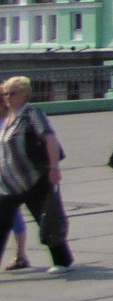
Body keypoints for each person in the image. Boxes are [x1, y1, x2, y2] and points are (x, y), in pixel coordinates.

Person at [0, 76, 73, 272]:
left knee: (46, 218)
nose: (7, 97)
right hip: (9, 183)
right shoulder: (8, 118)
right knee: (1, 223)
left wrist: (54, 168)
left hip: (33, 179)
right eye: (5, 93)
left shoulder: (32, 113)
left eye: (12, 93)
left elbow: (50, 139)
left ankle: (62, 261)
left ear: (24, 94)